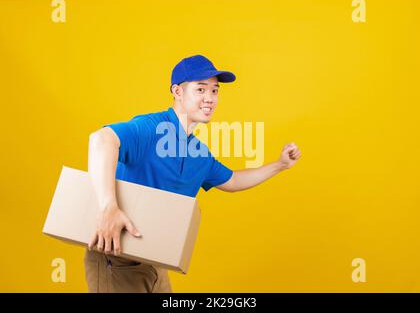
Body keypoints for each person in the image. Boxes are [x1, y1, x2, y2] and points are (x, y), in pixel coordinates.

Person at [84, 54, 302, 293]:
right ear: (177, 91)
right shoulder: (151, 128)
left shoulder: (199, 152)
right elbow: (101, 139)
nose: (210, 99)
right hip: (117, 254)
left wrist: (279, 165)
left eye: (215, 91)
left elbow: (233, 180)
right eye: (200, 89)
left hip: (156, 258)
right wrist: (108, 207)